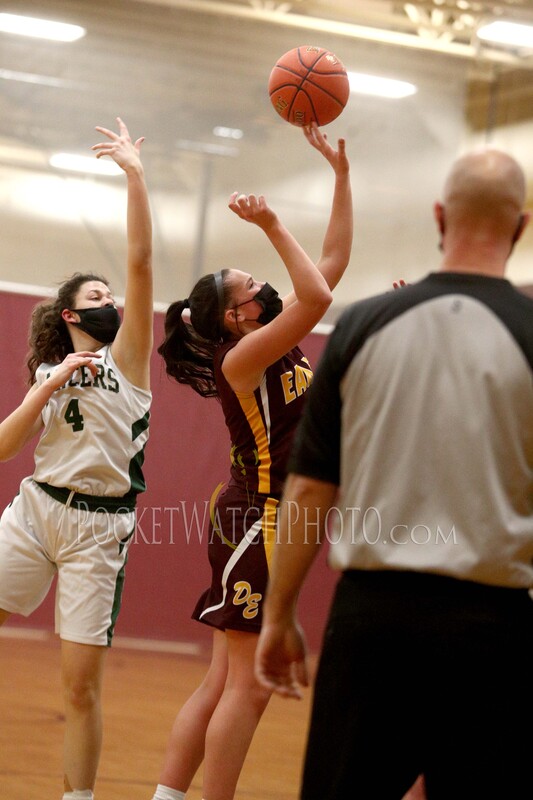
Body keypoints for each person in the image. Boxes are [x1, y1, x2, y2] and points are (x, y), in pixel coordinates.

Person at [255, 148, 533, 799]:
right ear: (519, 225)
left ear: (439, 215)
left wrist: (279, 613)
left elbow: (309, 487)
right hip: (494, 631)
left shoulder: (359, 325)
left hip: (370, 625)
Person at [152, 123, 352, 800]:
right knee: (247, 686)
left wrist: (340, 177)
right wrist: (268, 223)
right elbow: (320, 297)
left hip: (264, 519)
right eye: (250, 285)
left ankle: (168, 795)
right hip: (259, 522)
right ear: (233, 318)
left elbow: (329, 264)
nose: (266, 285)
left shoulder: (265, 335)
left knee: (222, 681)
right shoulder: (241, 357)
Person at [0, 117, 153, 800]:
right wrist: (49, 384)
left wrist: (134, 174)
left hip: (99, 528)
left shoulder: (130, 357)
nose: (112, 302)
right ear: (68, 315)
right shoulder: (48, 375)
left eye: (111, 296)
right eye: (97, 298)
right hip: (36, 512)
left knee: (79, 687)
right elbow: (5, 449)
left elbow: (142, 265)